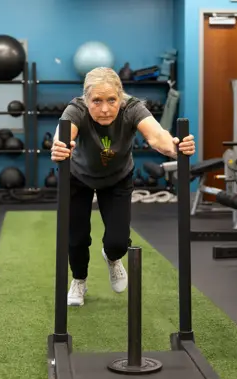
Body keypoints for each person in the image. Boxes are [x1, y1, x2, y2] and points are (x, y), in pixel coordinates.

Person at [51, 67, 195, 306]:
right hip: (78, 178)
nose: (105, 108)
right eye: (96, 101)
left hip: (117, 177)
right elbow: (62, 135)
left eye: (111, 100)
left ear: (121, 96)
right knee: (76, 239)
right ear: (86, 100)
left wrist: (175, 147)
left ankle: (112, 258)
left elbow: (157, 136)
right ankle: (79, 280)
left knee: (117, 242)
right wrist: (58, 146)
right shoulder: (75, 109)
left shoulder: (132, 108)